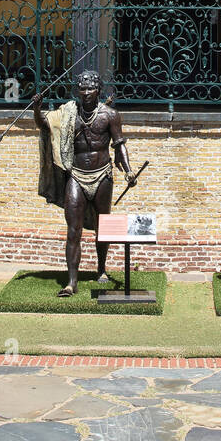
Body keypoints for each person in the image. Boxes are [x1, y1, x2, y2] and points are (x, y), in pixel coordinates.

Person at [33, 71, 136, 297]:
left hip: (102, 175)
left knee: (103, 227)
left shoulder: (110, 115)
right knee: (73, 230)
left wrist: (128, 171)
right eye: (82, 88)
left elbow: (119, 145)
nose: (86, 93)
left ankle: (101, 268)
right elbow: (44, 125)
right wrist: (37, 107)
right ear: (77, 90)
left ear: (99, 90)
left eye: (91, 89)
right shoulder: (68, 113)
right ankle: (71, 282)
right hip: (76, 175)